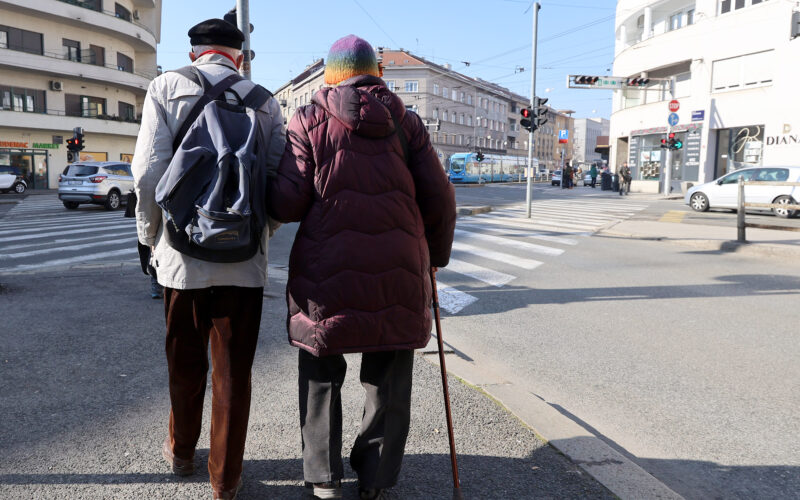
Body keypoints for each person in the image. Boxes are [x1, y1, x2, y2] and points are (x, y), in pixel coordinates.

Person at [267, 35, 456, 500]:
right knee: (389, 373)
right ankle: (375, 478)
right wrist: (435, 259)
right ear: (376, 74)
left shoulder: (308, 119)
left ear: (331, 76)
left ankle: (324, 478)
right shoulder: (407, 123)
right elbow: (440, 198)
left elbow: (288, 203)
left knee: (321, 369)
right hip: (399, 267)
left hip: (326, 269)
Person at [131, 18, 285, 500]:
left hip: (181, 257)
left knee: (184, 361)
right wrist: (258, 233)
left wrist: (149, 236)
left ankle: (181, 452)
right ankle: (225, 480)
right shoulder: (265, 100)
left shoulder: (165, 87)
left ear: (194, 53)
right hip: (244, 263)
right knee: (233, 374)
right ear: (239, 57)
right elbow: (278, 182)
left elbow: (147, 172)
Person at [124, 189, 163, 299]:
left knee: (152, 242)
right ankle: (157, 283)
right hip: (161, 203)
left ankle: (156, 285)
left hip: (149, 206)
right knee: (156, 243)